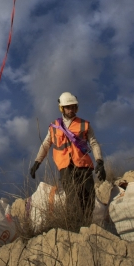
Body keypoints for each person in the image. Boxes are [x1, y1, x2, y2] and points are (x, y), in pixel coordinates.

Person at [29, 92, 106, 220]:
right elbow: (46, 144)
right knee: (72, 196)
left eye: (73, 107)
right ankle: (75, 225)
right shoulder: (54, 127)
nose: (71, 110)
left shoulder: (84, 124)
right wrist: (37, 162)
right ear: (62, 108)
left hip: (83, 165)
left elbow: (93, 143)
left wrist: (100, 161)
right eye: (68, 107)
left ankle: (87, 224)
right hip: (65, 166)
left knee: (88, 196)